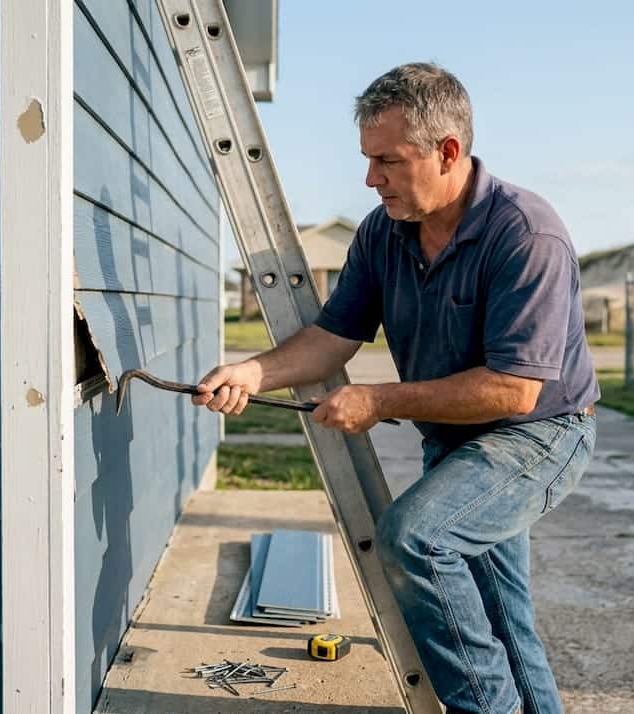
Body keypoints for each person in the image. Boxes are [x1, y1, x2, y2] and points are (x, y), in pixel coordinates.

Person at [193, 62, 598, 714]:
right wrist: (252, 371)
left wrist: (379, 400)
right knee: (504, 619)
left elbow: (515, 389)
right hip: (456, 441)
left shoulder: (525, 233)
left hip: (538, 436)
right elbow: (334, 335)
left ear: (446, 152)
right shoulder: (385, 231)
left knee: (416, 538)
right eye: (366, 159)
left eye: (386, 160)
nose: (369, 178)